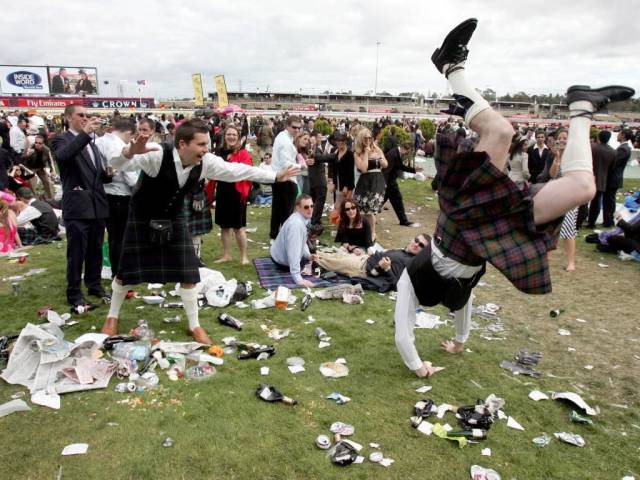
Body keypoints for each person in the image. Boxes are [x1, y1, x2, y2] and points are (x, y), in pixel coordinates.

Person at [394, 18, 634, 377]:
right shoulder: (460, 286)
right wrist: (459, 341)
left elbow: (402, 333)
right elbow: (464, 302)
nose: (415, 245)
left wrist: (418, 367)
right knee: (583, 187)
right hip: (495, 231)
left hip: (462, 218)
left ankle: (450, 66)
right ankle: (582, 107)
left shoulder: (407, 279)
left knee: (500, 132)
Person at [100, 120, 298, 345]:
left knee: (189, 274)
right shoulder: (156, 153)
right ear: (182, 144)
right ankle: (112, 317)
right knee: (126, 272)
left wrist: (274, 177)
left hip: (174, 219)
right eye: (201, 144)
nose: (206, 149)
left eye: (208, 144)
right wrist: (129, 152)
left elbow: (235, 170)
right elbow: (117, 163)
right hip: (142, 218)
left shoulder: (205, 162)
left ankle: (194, 325)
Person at [52, 104, 112, 307]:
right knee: (77, 253)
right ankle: (74, 292)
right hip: (78, 206)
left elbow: (95, 176)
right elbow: (63, 156)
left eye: (87, 115)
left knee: (95, 249)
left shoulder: (92, 145)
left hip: (96, 205)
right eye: (80, 115)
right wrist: (85, 134)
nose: (85, 118)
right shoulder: (62, 139)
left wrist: (107, 174)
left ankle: (94, 284)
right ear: (69, 118)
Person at [95, 117, 139, 277]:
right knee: (119, 236)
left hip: (103, 192)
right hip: (120, 194)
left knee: (112, 235)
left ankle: (117, 270)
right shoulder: (119, 146)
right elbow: (130, 176)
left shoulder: (98, 142)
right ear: (128, 133)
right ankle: (120, 272)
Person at [317, 234, 428, 292]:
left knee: (324, 261)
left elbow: (397, 285)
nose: (416, 244)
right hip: (364, 257)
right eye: (416, 240)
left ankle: (309, 257)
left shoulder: (410, 263)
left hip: (361, 267)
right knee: (329, 255)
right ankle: (309, 252)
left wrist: (387, 269)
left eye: (421, 245)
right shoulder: (405, 251)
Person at [214, 125, 253, 264]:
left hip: (237, 193)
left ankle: (244, 256)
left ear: (238, 137)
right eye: (229, 134)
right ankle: (227, 255)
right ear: (224, 137)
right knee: (224, 227)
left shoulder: (243, 153)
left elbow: (248, 172)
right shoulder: (219, 152)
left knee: (238, 227)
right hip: (223, 191)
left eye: (234, 135)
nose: (231, 137)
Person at [269, 194, 318, 288]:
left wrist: (308, 255)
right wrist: (298, 279)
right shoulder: (296, 225)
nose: (310, 209)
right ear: (298, 208)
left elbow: (302, 242)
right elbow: (293, 252)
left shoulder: (302, 218)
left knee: (313, 261)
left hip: (278, 255)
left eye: (312, 206)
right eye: (306, 207)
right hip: (281, 261)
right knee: (310, 265)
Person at [270, 116, 302, 240]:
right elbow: (286, 164)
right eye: (294, 127)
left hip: (280, 178)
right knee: (285, 212)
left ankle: (275, 236)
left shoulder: (283, 137)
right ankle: (282, 238)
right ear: (287, 126)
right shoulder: (285, 141)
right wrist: (302, 166)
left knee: (278, 210)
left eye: (299, 128)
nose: (297, 130)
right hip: (285, 179)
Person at [353, 128, 387, 241]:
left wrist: (380, 158)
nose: (368, 140)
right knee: (362, 208)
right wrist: (367, 154)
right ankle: (364, 231)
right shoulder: (357, 153)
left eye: (370, 138)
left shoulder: (377, 149)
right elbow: (363, 168)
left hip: (377, 181)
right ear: (361, 139)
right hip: (364, 181)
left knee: (371, 209)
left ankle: (373, 233)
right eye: (365, 138)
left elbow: (385, 164)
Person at [603, 129, 633, 227]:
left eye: (619, 134)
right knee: (609, 200)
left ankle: (609, 221)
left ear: (623, 135)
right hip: (615, 177)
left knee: (609, 201)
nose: (617, 136)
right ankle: (608, 220)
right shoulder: (624, 148)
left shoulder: (623, 149)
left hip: (613, 178)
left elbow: (614, 163)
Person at [383, 140, 417, 226]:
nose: (407, 154)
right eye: (408, 152)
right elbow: (386, 170)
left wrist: (414, 170)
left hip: (389, 182)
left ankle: (403, 220)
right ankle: (403, 220)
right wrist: (384, 184)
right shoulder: (393, 154)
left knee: (381, 201)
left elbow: (400, 166)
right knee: (397, 200)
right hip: (389, 183)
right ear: (404, 148)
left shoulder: (396, 153)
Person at [586, 130, 616, 228]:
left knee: (585, 201)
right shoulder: (613, 152)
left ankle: (584, 219)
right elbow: (612, 167)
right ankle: (592, 222)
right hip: (602, 180)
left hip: (589, 177)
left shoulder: (592, 147)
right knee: (596, 202)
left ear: (598, 137)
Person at [23, 134, 57, 200]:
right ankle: (34, 199)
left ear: (43, 144)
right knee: (32, 184)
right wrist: (27, 155)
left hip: (40, 168)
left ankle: (50, 198)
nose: (37, 144)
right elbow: (22, 158)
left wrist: (52, 170)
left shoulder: (46, 150)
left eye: (39, 143)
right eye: (36, 142)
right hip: (30, 168)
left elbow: (50, 160)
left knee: (47, 182)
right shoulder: (30, 148)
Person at [330, 132, 355, 206]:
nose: (340, 142)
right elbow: (335, 170)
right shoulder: (336, 152)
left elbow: (350, 172)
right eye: (338, 140)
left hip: (347, 185)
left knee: (345, 206)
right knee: (337, 206)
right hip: (338, 183)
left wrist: (346, 186)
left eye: (342, 140)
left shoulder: (349, 154)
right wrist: (334, 183)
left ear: (345, 141)